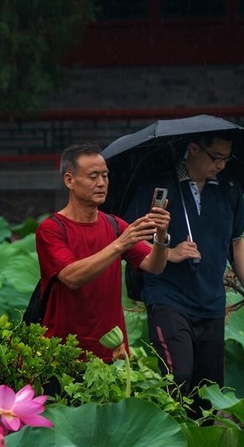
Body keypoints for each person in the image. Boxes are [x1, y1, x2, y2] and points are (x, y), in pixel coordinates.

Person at [127, 133, 244, 403]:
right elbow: (132, 240)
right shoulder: (158, 186)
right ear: (194, 149)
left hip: (211, 300)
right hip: (167, 296)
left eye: (227, 158)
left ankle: (200, 444)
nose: (222, 165)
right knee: (178, 377)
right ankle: (169, 438)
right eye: (216, 157)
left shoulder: (230, 189)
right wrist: (168, 252)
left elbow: (236, 241)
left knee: (209, 391)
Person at [35, 143, 171, 362]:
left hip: (112, 350)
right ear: (69, 180)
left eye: (105, 176)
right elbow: (71, 277)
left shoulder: (114, 224)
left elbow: (154, 266)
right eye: (93, 176)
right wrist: (119, 245)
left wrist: (162, 236)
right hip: (63, 351)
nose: (101, 183)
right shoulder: (51, 228)